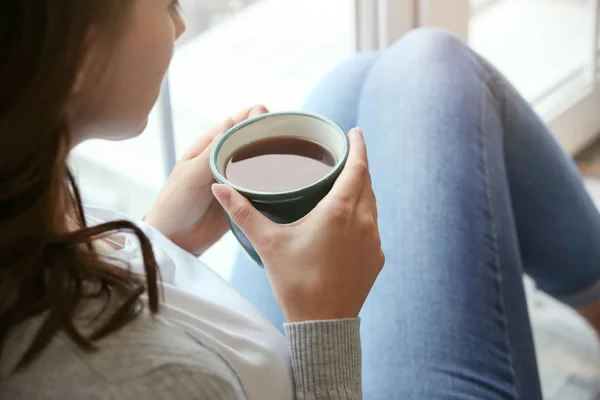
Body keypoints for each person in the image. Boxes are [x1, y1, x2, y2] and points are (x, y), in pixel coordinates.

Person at [1, 1, 600, 399]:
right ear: (77, 58)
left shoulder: (25, 203)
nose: (180, 22)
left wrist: (160, 244)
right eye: (165, 3)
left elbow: (88, 298)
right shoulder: (150, 381)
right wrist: (327, 320)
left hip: (245, 362)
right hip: (306, 372)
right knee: (431, 64)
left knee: (354, 84)